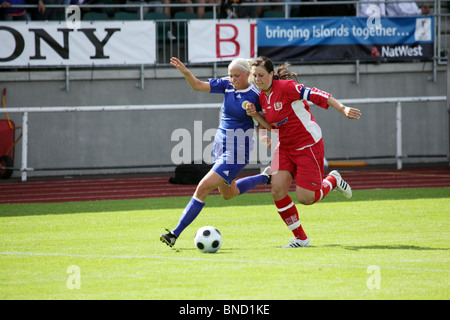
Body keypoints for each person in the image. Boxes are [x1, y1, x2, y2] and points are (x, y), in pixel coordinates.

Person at [246, 56, 361, 248]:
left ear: (272, 74)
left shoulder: (286, 87)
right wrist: (257, 117)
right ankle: (301, 239)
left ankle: (332, 180)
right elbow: (274, 127)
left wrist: (343, 108)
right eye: (254, 75)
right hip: (284, 146)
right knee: (277, 190)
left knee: (306, 198)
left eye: (261, 75)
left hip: (307, 144)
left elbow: (318, 94)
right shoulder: (261, 97)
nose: (257, 79)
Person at [160, 57, 272, 248]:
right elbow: (197, 86)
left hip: (237, 152)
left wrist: (262, 136)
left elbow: (264, 124)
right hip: (219, 147)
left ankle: (174, 234)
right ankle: (264, 177)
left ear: (247, 75)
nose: (233, 79)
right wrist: (186, 72)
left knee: (202, 188)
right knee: (229, 194)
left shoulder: (256, 95)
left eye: (237, 75)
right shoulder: (227, 85)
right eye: (230, 75)